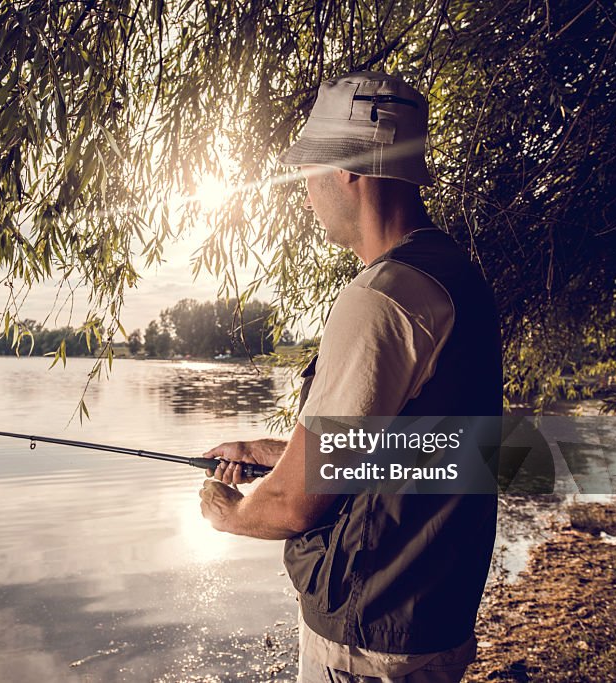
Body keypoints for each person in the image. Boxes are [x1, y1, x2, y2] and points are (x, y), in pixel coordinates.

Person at [199, 72, 503, 683]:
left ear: (350, 169)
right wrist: (273, 451)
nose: (305, 192)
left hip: (369, 639)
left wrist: (228, 511)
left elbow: (292, 507)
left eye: (309, 171)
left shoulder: (381, 297)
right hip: (431, 621)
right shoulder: (456, 279)